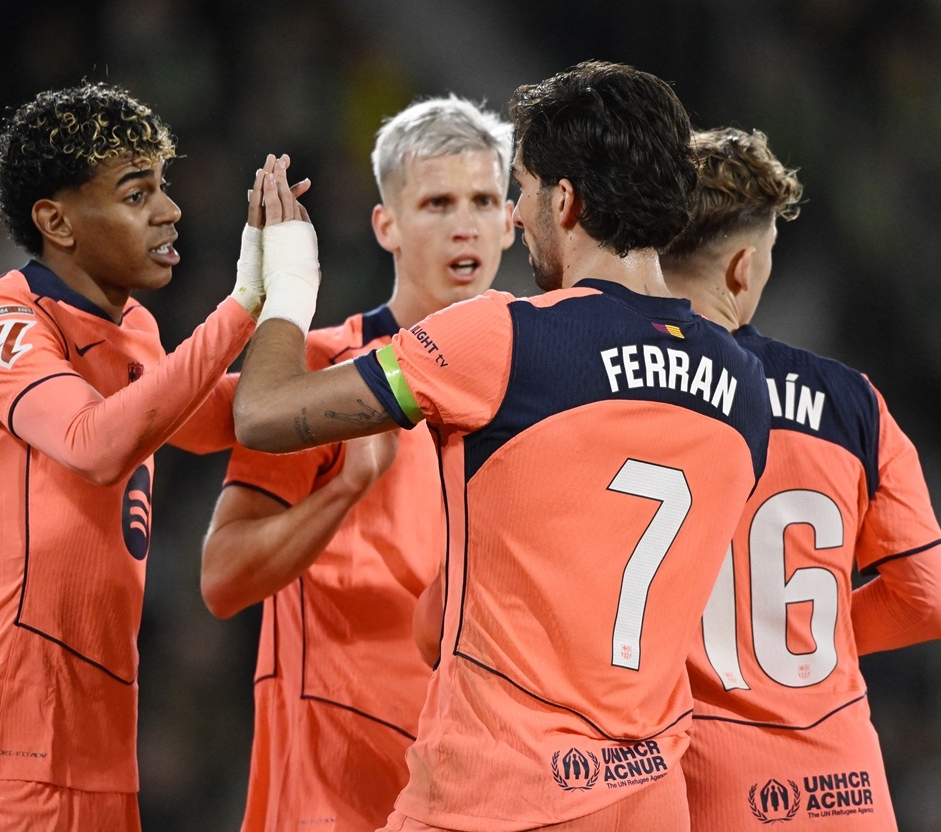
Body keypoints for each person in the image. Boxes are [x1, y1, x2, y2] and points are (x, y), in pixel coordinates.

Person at [234, 60, 773, 832]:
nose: (514, 216)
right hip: (650, 802)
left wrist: (286, 279)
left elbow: (262, 414)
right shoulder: (745, 388)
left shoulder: (500, 339)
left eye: (520, 189)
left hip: (495, 796)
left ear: (566, 200)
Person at [0, 81, 299, 831]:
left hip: (96, 749)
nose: (169, 210)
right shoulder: (0, 319)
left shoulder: (135, 328)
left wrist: (374, 375)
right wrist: (246, 301)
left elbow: (217, 415)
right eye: (137, 194)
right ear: (57, 221)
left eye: (163, 188)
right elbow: (96, 443)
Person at [199, 95, 515, 832]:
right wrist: (345, 488)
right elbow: (223, 577)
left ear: (511, 222)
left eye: (482, 201)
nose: (464, 225)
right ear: (386, 226)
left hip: (483, 788)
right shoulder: (315, 375)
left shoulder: (536, 384)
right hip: (336, 797)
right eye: (436, 203)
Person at [658, 126, 941, 830]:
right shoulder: (853, 400)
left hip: (709, 786)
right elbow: (933, 603)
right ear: (744, 267)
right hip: (847, 788)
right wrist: (804, 632)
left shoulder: (615, 387)